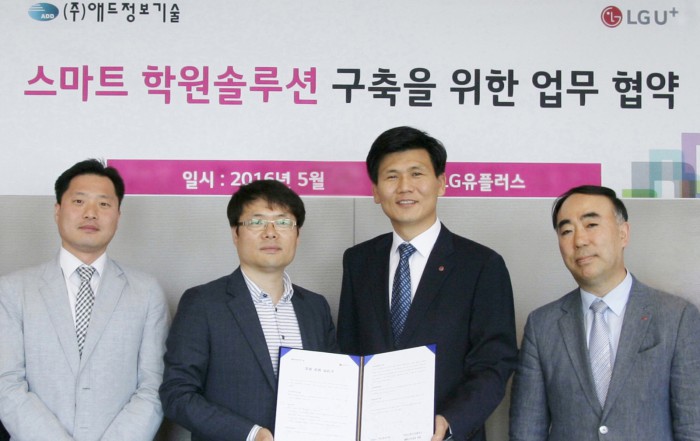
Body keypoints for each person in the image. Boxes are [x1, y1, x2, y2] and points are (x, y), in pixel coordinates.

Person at [337, 126, 518, 441]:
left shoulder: (481, 265)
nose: (405, 187)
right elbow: (347, 351)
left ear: (441, 183)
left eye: (416, 173)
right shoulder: (358, 261)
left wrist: (450, 421)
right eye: (391, 176)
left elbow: (494, 363)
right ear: (376, 191)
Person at [509, 185, 700, 441]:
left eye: (591, 225)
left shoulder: (676, 317)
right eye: (567, 231)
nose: (579, 240)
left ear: (623, 233)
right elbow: (526, 431)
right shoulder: (542, 325)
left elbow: (693, 426)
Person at [0, 159, 170, 440]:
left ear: (118, 215)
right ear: (57, 210)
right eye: (79, 201)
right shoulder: (12, 290)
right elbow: (7, 384)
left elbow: (153, 387)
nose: (91, 213)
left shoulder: (146, 292)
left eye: (104, 204)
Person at [159, 179, 339, 441]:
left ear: (297, 235)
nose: (270, 232)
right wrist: (251, 434)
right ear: (236, 233)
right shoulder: (203, 303)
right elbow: (177, 394)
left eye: (283, 222)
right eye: (256, 222)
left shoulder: (315, 307)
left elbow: (334, 387)